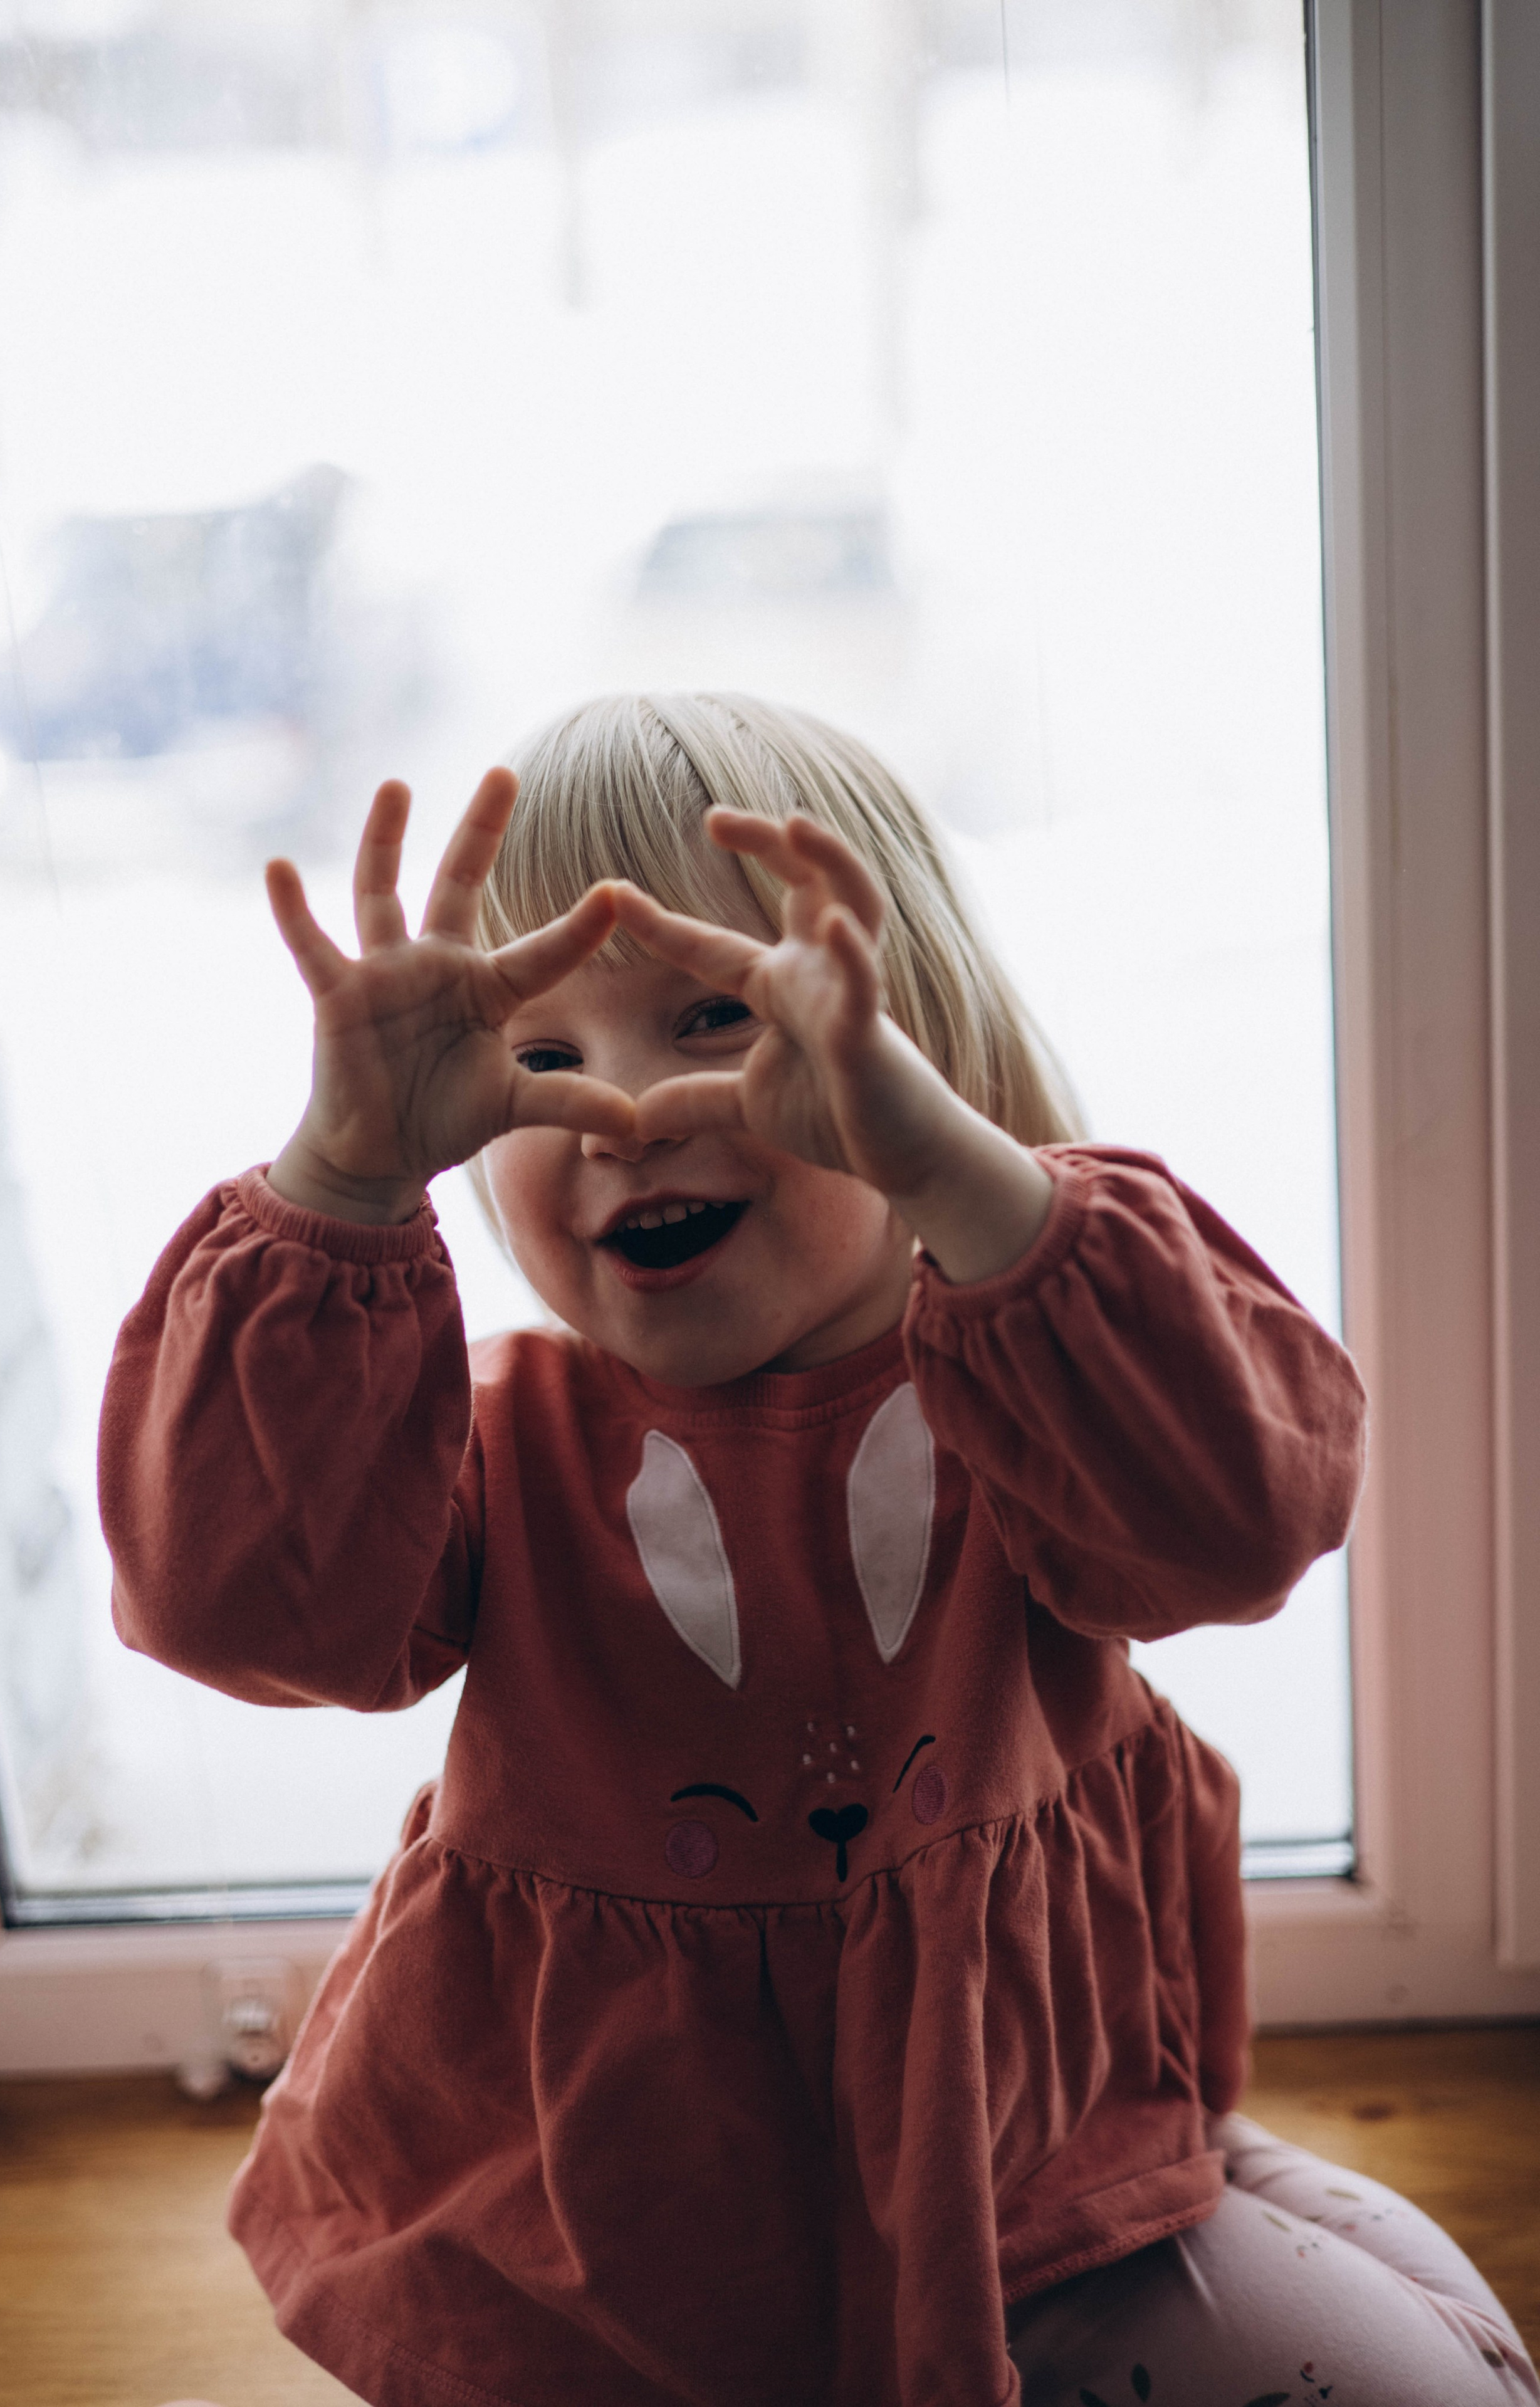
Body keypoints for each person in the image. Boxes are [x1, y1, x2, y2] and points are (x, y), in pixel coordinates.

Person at [102, 694, 1536, 2407]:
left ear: (909, 1046)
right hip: (623, 2259)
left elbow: (1245, 1521)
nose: (627, 1110)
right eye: (538, 1058)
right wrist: (340, 1175)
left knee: (1472, 2360)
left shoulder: (1038, 1368)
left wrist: (957, 1174)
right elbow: (226, 1603)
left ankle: (1188, 2158)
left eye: (716, 1015)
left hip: (1037, 2160)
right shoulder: (489, 1444)